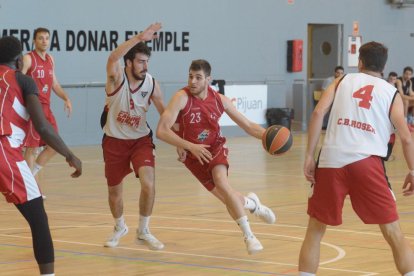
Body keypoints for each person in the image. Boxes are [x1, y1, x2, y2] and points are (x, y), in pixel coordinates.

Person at [299, 42, 414, 275]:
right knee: (393, 231)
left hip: (331, 160)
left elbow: (318, 112)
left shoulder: (341, 81)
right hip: (367, 163)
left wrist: (310, 156)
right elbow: (406, 138)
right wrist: (412, 170)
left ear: (359, 62)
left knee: (315, 229)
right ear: (384, 66)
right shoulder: (391, 93)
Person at [156, 59, 276, 255]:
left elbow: (247, 125)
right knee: (226, 197)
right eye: (190, 76)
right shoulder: (181, 97)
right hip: (193, 155)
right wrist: (187, 146)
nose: (193, 81)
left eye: (198, 77)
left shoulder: (219, 100)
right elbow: (161, 130)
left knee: (222, 183)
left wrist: (267, 136)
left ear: (208, 80)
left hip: (215, 147)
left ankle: (249, 236)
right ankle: (253, 205)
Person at [0, 36, 82, 276]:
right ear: (18, 59)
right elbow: (43, 127)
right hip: (4, 150)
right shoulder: (23, 80)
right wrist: (70, 155)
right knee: (38, 218)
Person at [101, 22, 165, 250]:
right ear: (128, 63)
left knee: (149, 184)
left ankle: (143, 230)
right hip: (114, 141)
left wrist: (182, 141)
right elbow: (112, 57)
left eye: (147, 62)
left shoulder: (152, 84)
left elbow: (165, 116)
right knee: (114, 191)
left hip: (140, 141)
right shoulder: (116, 78)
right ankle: (119, 226)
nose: (145, 66)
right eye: (140, 61)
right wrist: (140, 37)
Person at [22, 27, 73, 198]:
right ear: (34, 41)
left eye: (46, 38)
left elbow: (55, 84)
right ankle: (31, 188)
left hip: (47, 108)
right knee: (31, 148)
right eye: (40, 38)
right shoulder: (28, 59)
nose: (44, 41)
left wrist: (66, 98)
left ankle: (30, 177)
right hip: (33, 108)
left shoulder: (51, 59)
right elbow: (18, 81)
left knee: (54, 144)